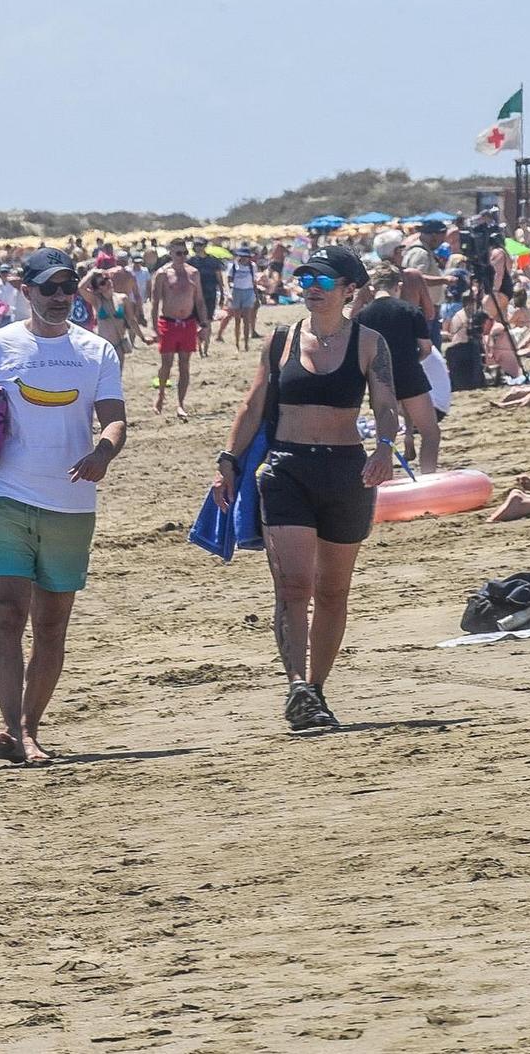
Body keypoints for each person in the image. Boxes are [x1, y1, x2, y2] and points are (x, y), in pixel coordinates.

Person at [0, 246, 126, 766]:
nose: (59, 297)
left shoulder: (97, 352)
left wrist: (104, 449)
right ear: (26, 290)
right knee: (7, 615)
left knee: (52, 625)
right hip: (7, 499)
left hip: (71, 505)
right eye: (48, 288)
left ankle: (31, 726)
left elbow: (115, 419)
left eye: (67, 286)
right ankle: (13, 729)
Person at [212, 244, 397, 731]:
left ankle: (315, 690)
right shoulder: (280, 341)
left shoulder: (369, 343)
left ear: (348, 290)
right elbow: (252, 406)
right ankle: (296, 683)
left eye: (323, 281)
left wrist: (384, 446)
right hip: (287, 469)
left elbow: (385, 405)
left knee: (334, 591)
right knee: (293, 586)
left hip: (346, 472)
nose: (312, 288)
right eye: (306, 280)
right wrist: (228, 461)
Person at [351, 265, 442, 473]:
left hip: (379, 380)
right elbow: (426, 348)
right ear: (398, 286)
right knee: (430, 433)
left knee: (385, 440)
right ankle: (428, 479)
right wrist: (413, 359)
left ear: (373, 289)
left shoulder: (363, 317)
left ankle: (385, 480)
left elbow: (358, 353)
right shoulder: (410, 310)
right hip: (410, 375)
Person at [149, 239, 209, 420]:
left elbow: (199, 301)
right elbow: (155, 302)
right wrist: (154, 328)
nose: (182, 257)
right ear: (170, 253)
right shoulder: (162, 274)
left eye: (184, 253)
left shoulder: (193, 273)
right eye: (178, 253)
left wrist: (204, 324)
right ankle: (160, 395)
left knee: (185, 365)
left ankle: (181, 404)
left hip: (188, 323)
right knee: (166, 364)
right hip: (168, 323)